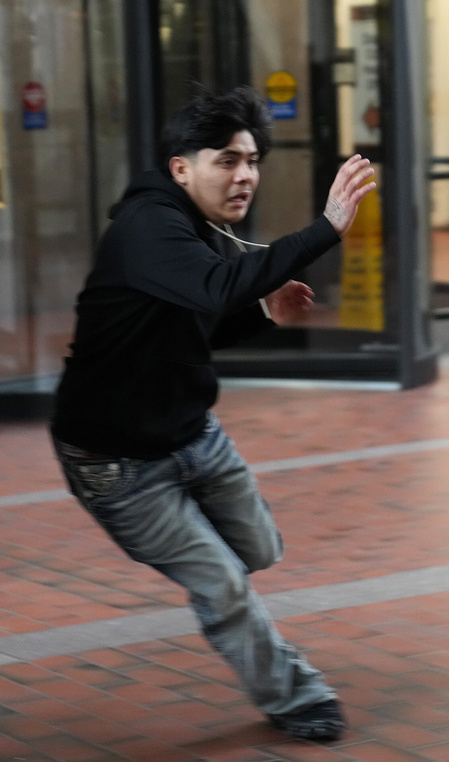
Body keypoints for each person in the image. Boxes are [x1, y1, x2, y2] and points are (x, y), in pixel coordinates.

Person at [50, 86, 375, 741]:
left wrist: (260, 313)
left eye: (252, 159)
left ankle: (211, 575)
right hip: (119, 465)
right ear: (181, 168)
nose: (245, 174)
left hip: (194, 437)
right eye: (226, 160)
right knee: (226, 583)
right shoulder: (148, 228)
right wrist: (325, 229)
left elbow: (198, 324)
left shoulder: (192, 230)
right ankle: (297, 698)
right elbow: (218, 286)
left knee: (260, 548)